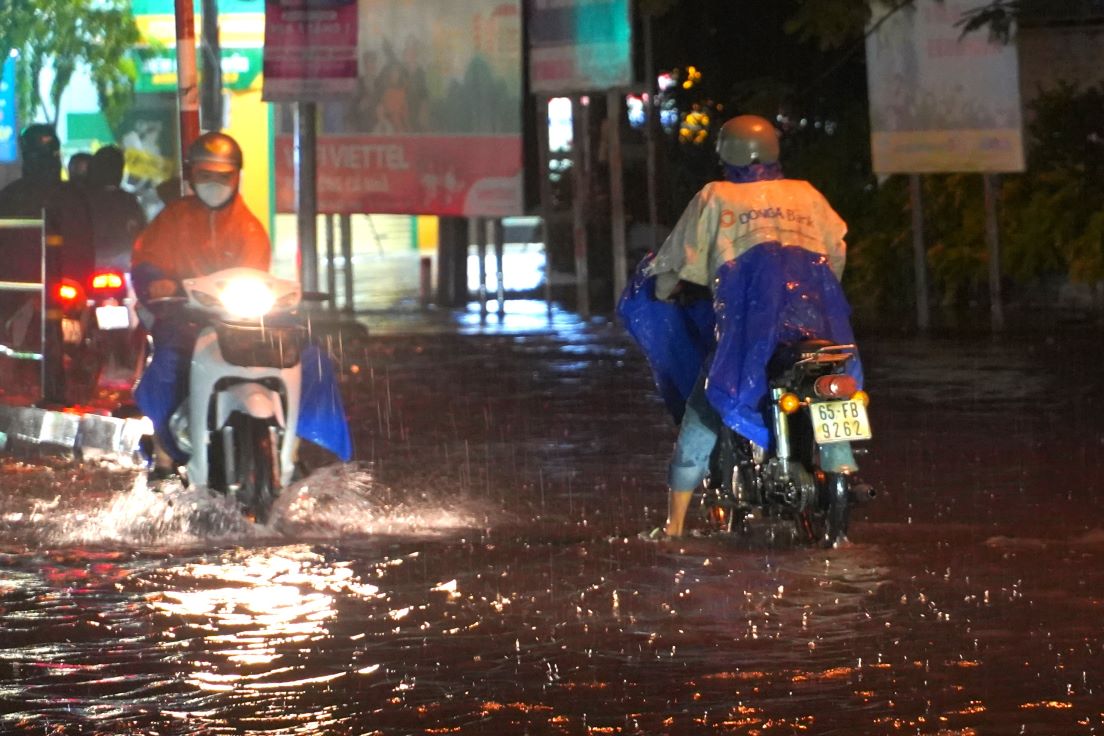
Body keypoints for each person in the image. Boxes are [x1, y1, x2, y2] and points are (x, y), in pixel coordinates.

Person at [629, 114, 856, 539]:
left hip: (753, 330)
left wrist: (662, 292)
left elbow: (676, 260)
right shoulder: (807, 195)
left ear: (724, 153)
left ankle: (673, 528)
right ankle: (839, 466)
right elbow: (836, 255)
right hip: (817, 327)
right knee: (832, 387)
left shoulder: (716, 197)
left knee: (706, 406)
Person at [131, 130, 270, 477]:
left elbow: (258, 276)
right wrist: (156, 281)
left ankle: (293, 444)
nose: (214, 183)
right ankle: (165, 452)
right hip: (183, 322)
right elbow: (146, 261)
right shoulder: (173, 219)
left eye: (222, 176)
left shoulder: (251, 228)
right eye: (205, 175)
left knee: (303, 357)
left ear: (237, 176)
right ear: (191, 175)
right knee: (166, 367)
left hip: (239, 326)